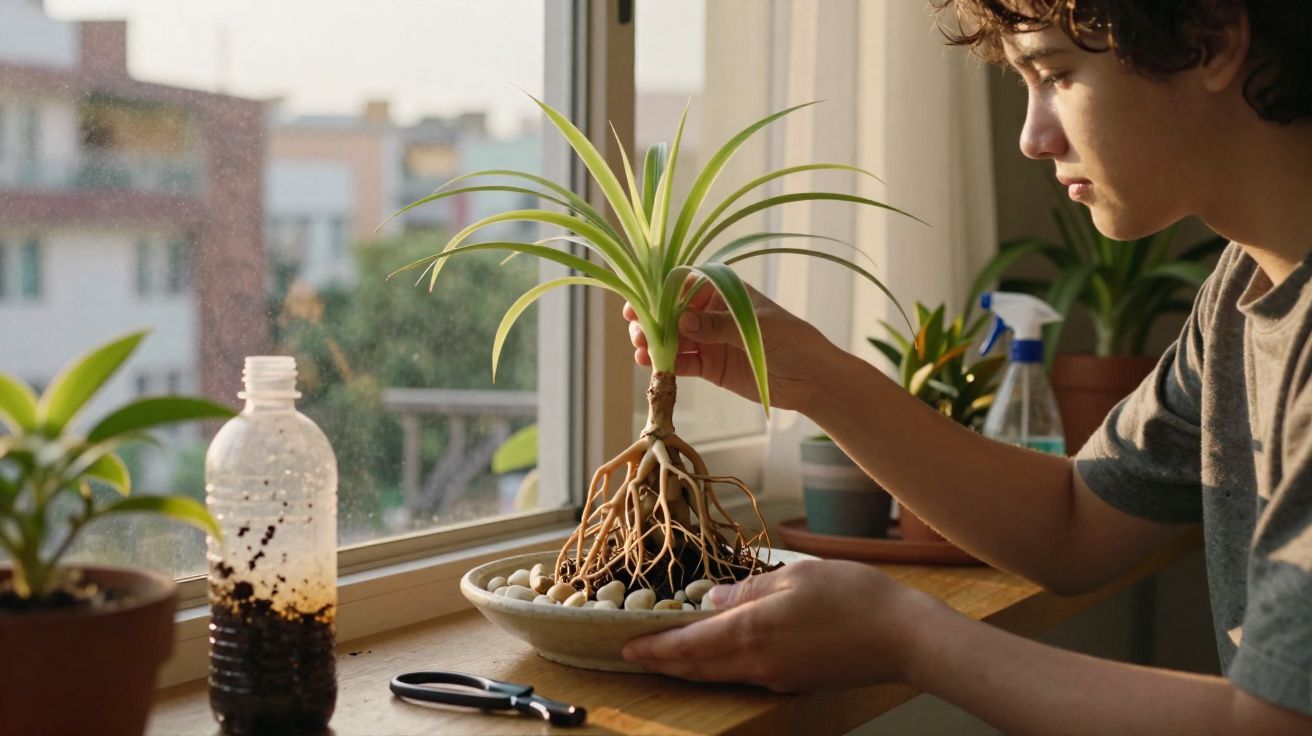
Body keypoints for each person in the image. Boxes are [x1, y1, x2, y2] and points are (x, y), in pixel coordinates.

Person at [620, 1, 1312, 732]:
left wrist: (907, 638)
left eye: (1055, 75)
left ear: (1211, 41)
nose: (1033, 138)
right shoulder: (1240, 291)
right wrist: (815, 377)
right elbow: (1074, 525)